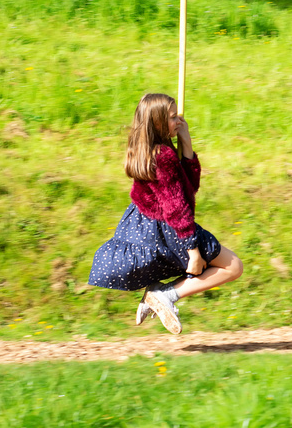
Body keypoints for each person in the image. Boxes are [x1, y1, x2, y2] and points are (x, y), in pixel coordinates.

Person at [86, 92, 243, 334]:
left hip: (145, 224)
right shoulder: (164, 156)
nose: (178, 120)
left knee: (227, 267)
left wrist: (186, 143)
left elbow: (189, 188)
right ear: (157, 122)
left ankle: (162, 294)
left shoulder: (148, 149)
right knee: (233, 268)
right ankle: (165, 294)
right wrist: (193, 252)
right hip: (172, 228)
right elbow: (176, 205)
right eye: (172, 117)